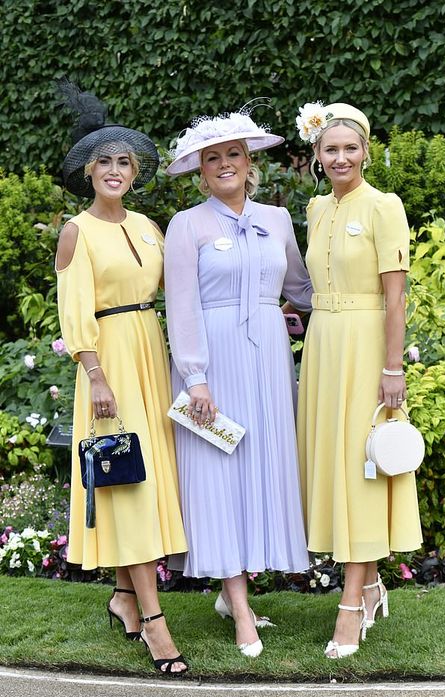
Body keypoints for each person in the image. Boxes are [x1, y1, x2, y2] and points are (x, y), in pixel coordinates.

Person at [164, 106, 313, 657]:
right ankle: (240, 607)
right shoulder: (188, 225)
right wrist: (195, 377)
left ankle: (237, 596)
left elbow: (300, 286)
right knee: (222, 471)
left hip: (270, 361)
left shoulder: (276, 218)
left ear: (249, 162)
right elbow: (180, 306)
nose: (224, 163)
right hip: (214, 363)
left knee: (262, 466)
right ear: (200, 172)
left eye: (233, 153)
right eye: (212, 158)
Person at [55, 85, 188, 675]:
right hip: (107, 361)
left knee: (143, 474)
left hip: (149, 355)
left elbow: (177, 291)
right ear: (89, 171)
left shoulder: (151, 227)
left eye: (124, 162)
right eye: (104, 161)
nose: (114, 170)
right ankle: (156, 623)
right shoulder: (75, 232)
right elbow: (73, 309)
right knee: (127, 479)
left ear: (135, 173)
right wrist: (95, 373)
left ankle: (125, 597)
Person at [295, 101, 423, 658]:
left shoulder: (383, 206)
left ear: (366, 151)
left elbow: (395, 298)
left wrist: (392, 368)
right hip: (323, 345)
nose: (341, 157)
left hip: (369, 345)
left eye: (351, 148)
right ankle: (370, 586)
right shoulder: (315, 207)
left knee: (363, 471)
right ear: (317, 155)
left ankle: (352, 604)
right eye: (331, 149)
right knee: (338, 468)